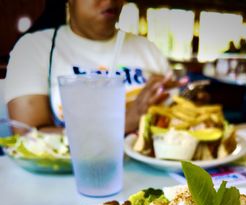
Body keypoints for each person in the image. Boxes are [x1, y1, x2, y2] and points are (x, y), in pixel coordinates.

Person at [4, 0, 179, 134]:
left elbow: (177, 122)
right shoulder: (35, 48)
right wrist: (124, 123)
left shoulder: (148, 50)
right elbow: (29, 136)